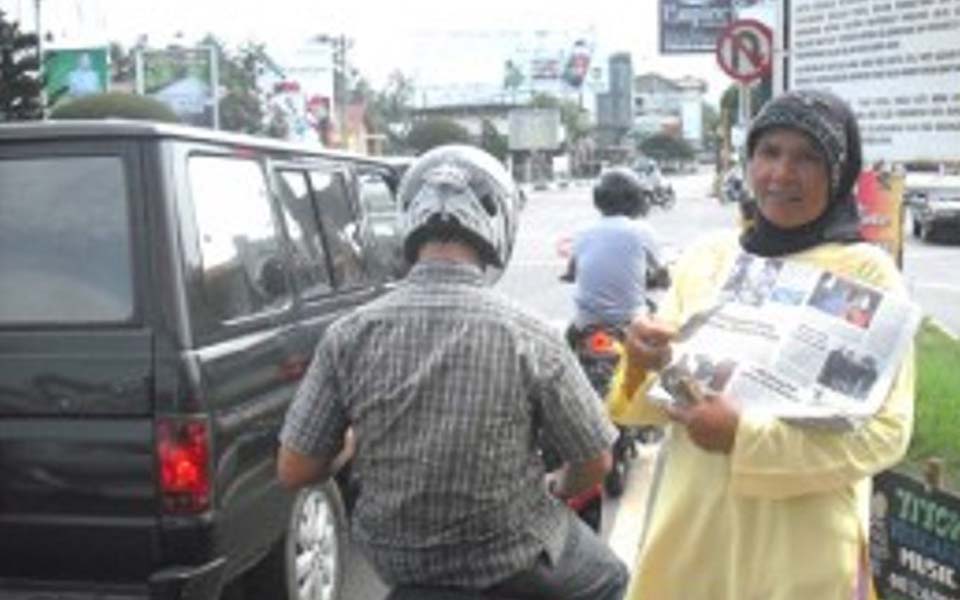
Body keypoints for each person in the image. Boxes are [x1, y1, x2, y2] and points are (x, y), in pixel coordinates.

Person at [277, 145, 628, 600]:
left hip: (397, 561)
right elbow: (595, 462)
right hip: (507, 556)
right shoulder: (531, 335)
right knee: (609, 578)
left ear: (411, 223)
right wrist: (556, 485)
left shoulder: (348, 334)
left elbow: (293, 469)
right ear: (498, 226)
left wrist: (351, 442)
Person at [610, 89, 914, 600]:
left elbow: (885, 433)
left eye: (807, 157)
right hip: (692, 536)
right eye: (769, 152)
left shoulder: (866, 273)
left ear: (839, 172)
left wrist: (744, 437)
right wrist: (641, 363)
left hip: (801, 553)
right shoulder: (709, 258)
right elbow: (651, 409)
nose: (781, 174)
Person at [565, 166, 665, 334]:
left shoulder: (582, 231)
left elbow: (571, 272)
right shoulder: (642, 230)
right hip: (631, 320)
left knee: (568, 343)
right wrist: (664, 280)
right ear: (634, 199)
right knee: (660, 341)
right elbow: (661, 272)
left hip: (587, 322)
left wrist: (570, 275)